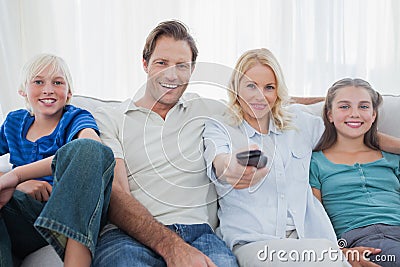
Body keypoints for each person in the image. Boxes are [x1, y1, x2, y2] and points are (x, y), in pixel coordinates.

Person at [92, 20, 238, 266]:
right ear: (145, 64)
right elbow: (117, 196)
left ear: (192, 70)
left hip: (199, 234)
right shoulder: (111, 118)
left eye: (182, 65)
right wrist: (172, 248)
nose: (172, 74)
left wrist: (328, 103)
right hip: (127, 236)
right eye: (162, 63)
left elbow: (267, 102)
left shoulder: (207, 110)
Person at [202, 48, 351, 266]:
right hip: (253, 243)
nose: (260, 95)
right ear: (236, 87)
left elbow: (352, 133)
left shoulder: (299, 122)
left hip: (309, 239)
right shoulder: (219, 127)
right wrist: (236, 167)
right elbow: (222, 163)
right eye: (251, 85)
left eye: (269, 87)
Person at [0, 54, 115, 267]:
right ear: (23, 90)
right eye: (38, 82)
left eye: (57, 82)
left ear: (69, 92)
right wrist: (18, 183)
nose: (48, 89)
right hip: (23, 216)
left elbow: (93, 148)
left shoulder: (74, 118)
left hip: (63, 215)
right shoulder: (14, 123)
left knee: (88, 149)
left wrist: (18, 176)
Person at [310, 78, 400, 267]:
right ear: (330, 115)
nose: (354, 114)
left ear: (374, 115)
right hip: (359, 241)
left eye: (364, 107)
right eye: (344, 106)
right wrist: (339, 251)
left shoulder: (392, 158)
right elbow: (313, 216)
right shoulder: (315, 162)